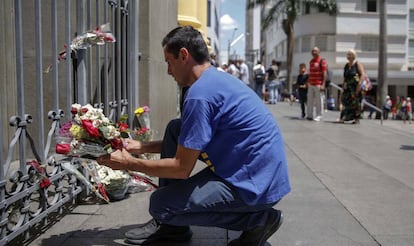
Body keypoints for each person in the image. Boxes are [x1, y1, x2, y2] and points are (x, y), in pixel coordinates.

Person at [97, 26, 290, 246]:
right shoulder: (214, 80)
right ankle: (172, 228)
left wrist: (129, 163)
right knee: (175, 129)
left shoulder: (200, 96)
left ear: (184, 55)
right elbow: (189, 140)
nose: (168, 71)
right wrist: (139, 147)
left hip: (255, 187)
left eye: (169, 62)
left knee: (160, 204)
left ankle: (259, 220)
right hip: (257, 174)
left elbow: (181, 167)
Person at [339, 49, 365, 124]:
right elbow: (345, 77)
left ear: (354, 56)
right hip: (347, 88)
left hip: (355, 87)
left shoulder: (357, 64)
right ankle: (344, 118)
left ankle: (356, 119)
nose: (349, 56)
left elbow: (363, 75)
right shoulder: (346, 66)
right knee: (345, 102)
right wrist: (343, 87)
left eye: (350, 55)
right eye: (348, 55)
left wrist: (359, 85)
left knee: (356, 103)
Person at [307, 47, 327, 121]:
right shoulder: (311, 61)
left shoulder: (322, 61)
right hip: (311, 84)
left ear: (319, 52)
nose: (313, 52)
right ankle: (309, 115)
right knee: (310, 100)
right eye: (312, 51)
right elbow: (310, 73)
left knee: (319, 101)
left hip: (318, 84)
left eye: (315, 51)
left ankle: (319, 115)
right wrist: (308, 82)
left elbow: (324, 73)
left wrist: (323, 84)